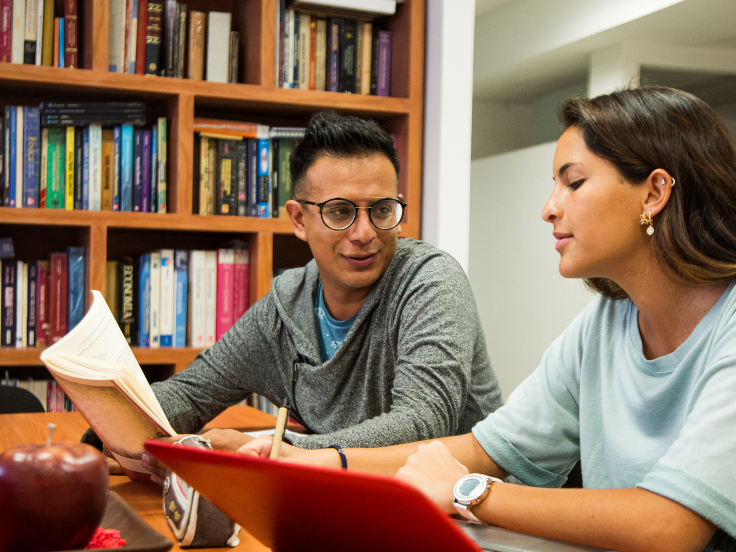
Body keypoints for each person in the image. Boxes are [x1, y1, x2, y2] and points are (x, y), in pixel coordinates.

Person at [241, 88, 736, 552]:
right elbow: (488, 445)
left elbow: (670, 525)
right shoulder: (605, 323)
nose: (549, 209)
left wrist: (465, 491)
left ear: (653, 193)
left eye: (575, 182)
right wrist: (323, 462)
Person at [130, 110, 503, 479]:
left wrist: (278, 451)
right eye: (339, 212)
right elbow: (191, 393)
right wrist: (114, 432)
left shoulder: (430, 282)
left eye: (382, 209)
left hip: (474, 516)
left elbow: (424, 425)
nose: (363, 233)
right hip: (348, 502)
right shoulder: (284, 309)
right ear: (298, 219)